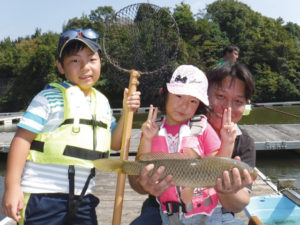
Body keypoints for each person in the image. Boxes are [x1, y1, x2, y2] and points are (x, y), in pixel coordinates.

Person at [1, 28, 140, 225]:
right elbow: (21, 140)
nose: (85, 67)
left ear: (101, 62)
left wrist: (127, 113)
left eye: (92, 60)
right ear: (61, 66)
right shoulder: (47, 98)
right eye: (75, 61)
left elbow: (115, 144)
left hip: (84, 199)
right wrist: (12, 187)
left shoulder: (102, 103)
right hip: (43, 196)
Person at [129, 62, 256, 225]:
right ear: (206, 95)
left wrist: (226, 188)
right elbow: (136, 172)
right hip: (162, 210)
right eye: (221, 96)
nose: (227, 107)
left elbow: (239, 203)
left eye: (238, 101)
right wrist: (143, 183)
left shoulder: (244, 142)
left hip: (215, 213)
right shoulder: (159, 128)